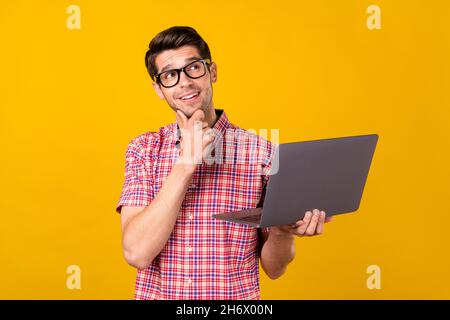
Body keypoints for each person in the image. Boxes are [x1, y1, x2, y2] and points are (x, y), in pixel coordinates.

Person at [116, 26, 332, 300]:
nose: (184, 82)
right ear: (159, 89)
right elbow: (137, 253)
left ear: (212, 72)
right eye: (170, 75)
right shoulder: (143, 149)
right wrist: (185, 164)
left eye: (193, 67)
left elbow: (275, 269)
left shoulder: (262, 153)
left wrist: (281, 232)